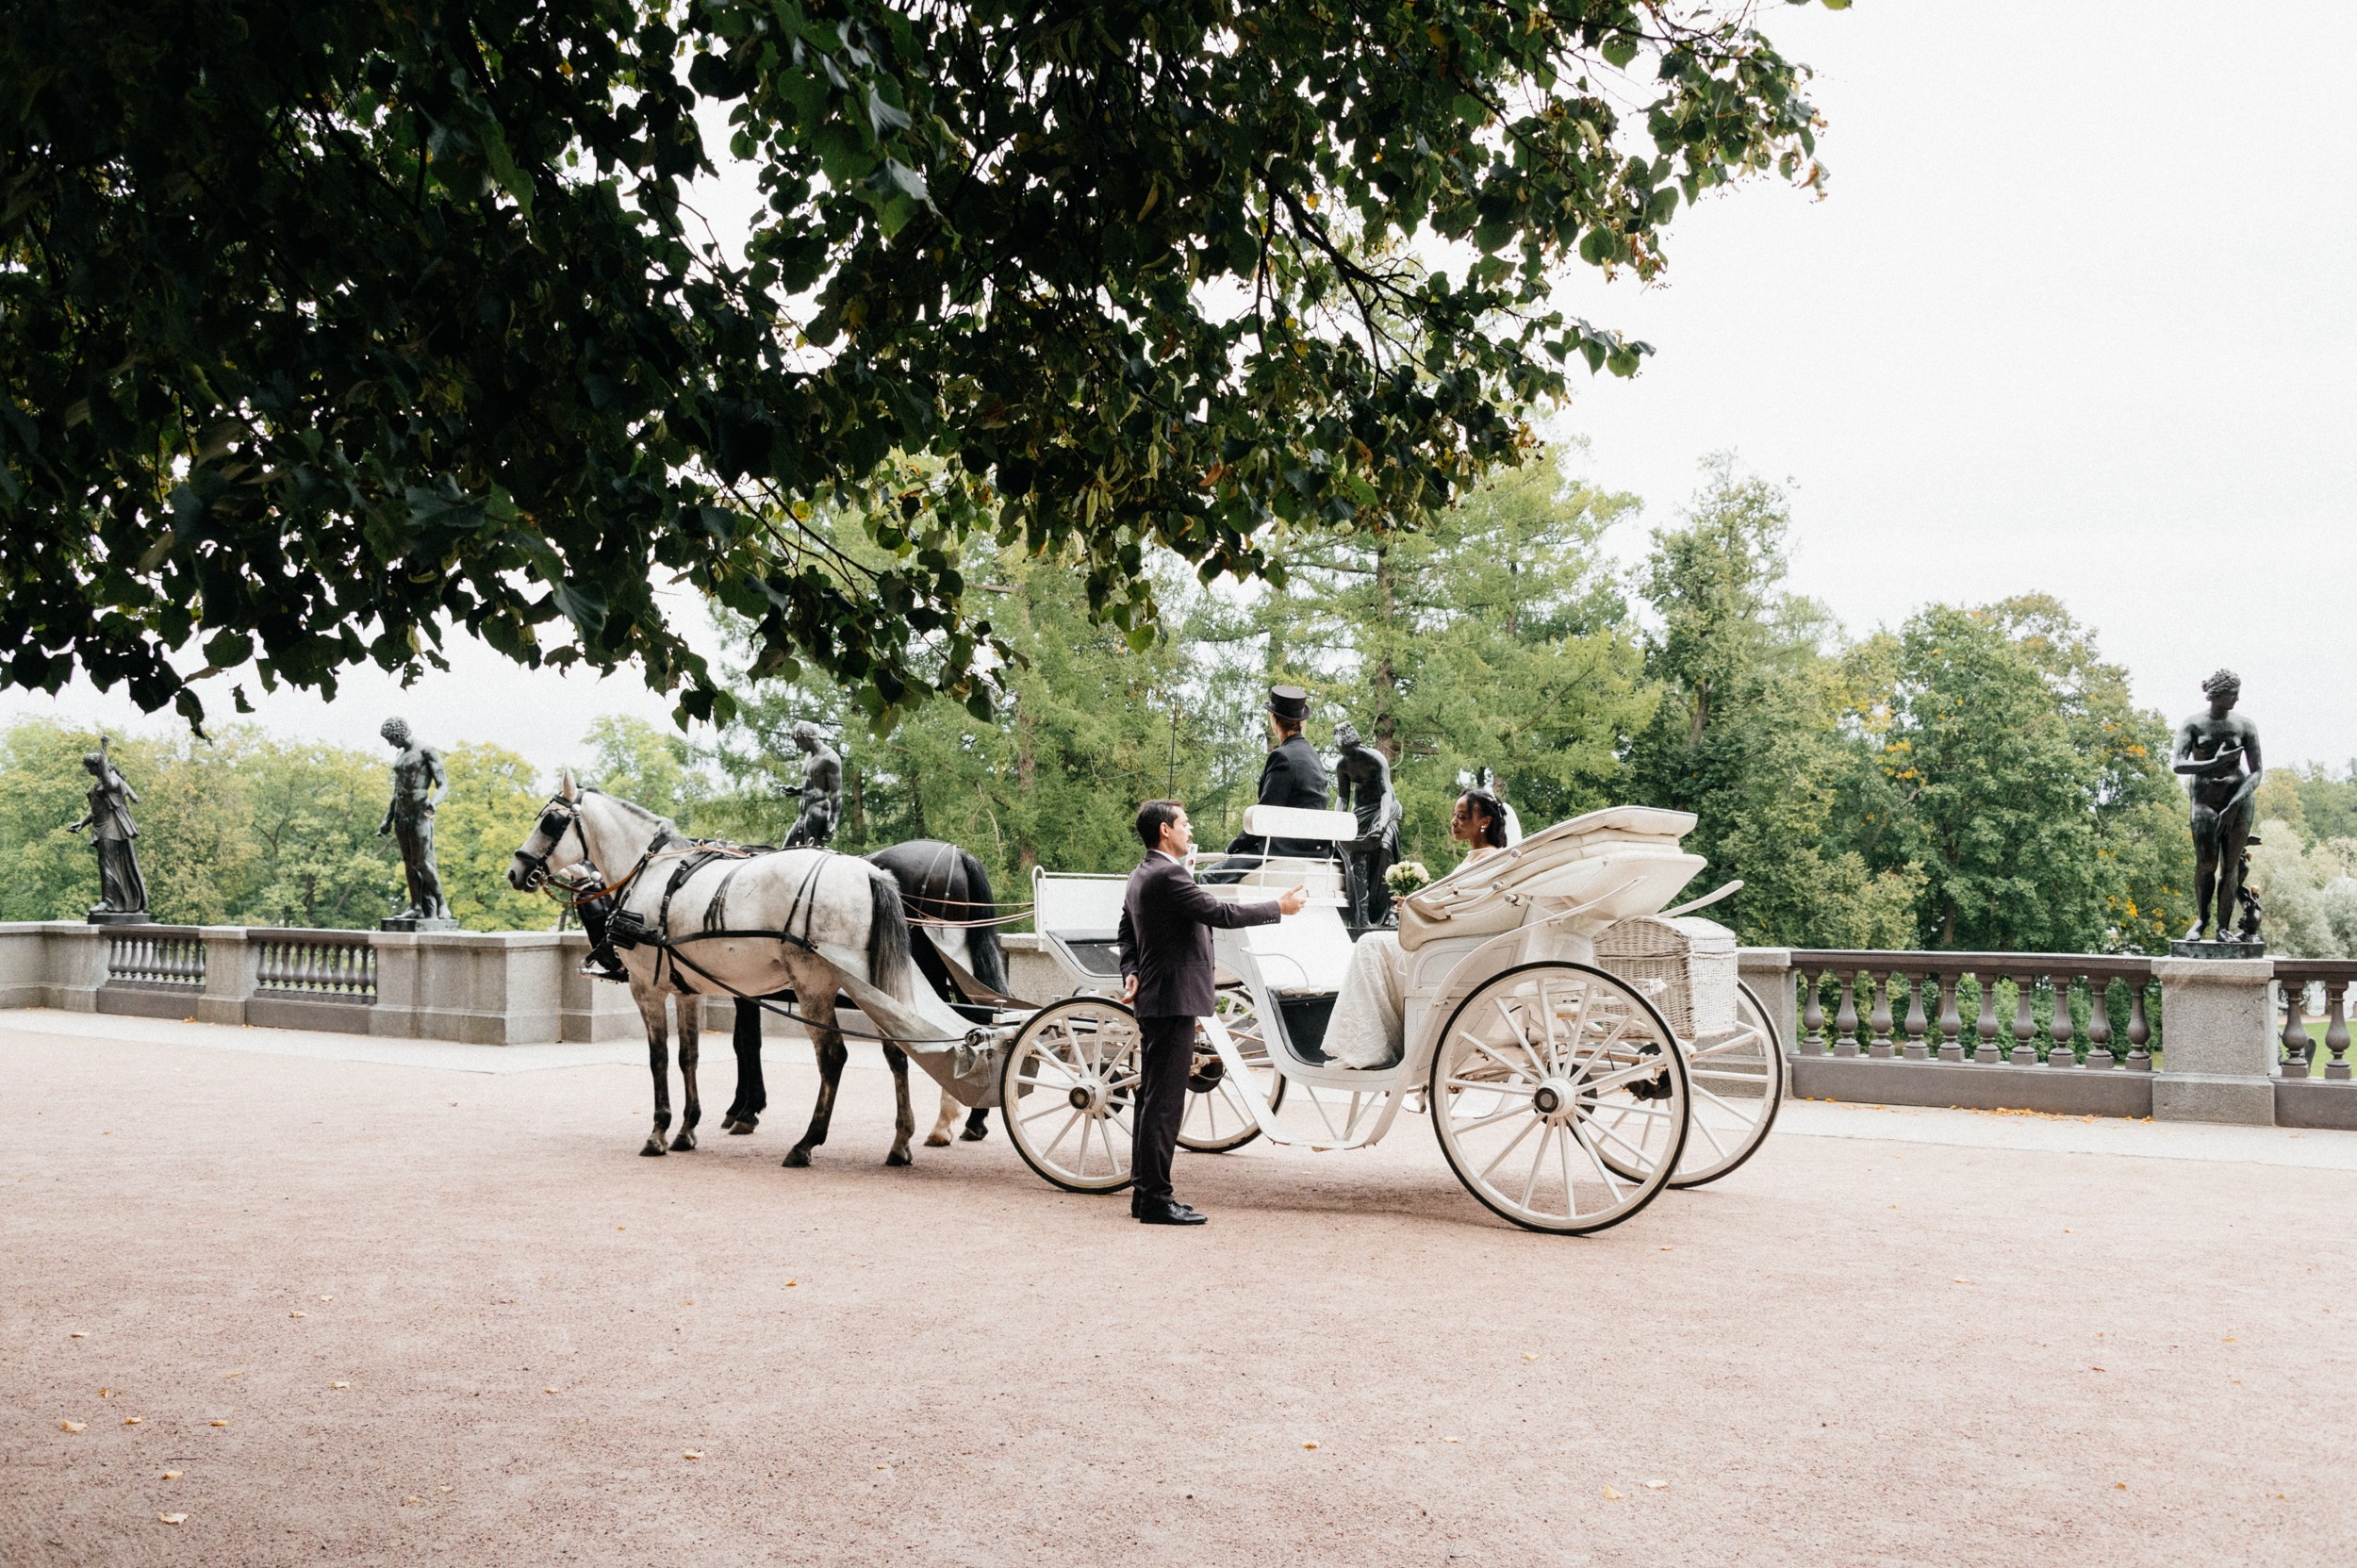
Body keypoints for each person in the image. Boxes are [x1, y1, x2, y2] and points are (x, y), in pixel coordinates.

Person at [1117, 799, 1307, 1226]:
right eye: (1184, 824)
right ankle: (1155, 1201)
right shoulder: (1167, 874)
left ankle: (1145, 1194)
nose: (1190, 829)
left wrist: (1130, 970)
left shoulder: (1142, 873)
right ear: (1165, 830)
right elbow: (1220, 913)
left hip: (1159, 997)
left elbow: (1125, 929)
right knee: (1163, 1104)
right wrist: (1279, 907)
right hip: (1172, 999)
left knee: (1151, 1100)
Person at [1324, 790, 1511, 1071]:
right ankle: (1371, 1043)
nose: (1454, 822)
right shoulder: (1481, 858)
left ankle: (1369, 1047)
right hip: (1450, 947)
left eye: (1462, 817)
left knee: (1369, 944)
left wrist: (1419, 908)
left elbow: (1463, 909)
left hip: (1449, 953)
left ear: (1484, 822)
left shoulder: (1486, 860)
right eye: (1454, 816)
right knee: (1374, 944)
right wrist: (1416, 906)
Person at [2172, 669, 2262, 942]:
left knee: (2231, 866)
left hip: (2239, 801)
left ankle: (2222, 928)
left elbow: (2256, 772)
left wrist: (2235, 805)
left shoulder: (2246, 726)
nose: (2237, 699)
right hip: (2204, 801)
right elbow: (2178, 764)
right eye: (2233, 694)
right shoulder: (2193, 725)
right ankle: (2202, 920)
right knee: (2207, 863)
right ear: (2218, 695)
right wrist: (2213, 763)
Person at [783, 721, 842, 849]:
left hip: (818, 811)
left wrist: (833, 821)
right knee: (785, 850)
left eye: (798, 742)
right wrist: (797, 791)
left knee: (811, 854)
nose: (798, 747)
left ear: (807, 738)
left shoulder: (830, 758)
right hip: (804, 813)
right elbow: (814, 785)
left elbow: (837, 792)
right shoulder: (809, 756)